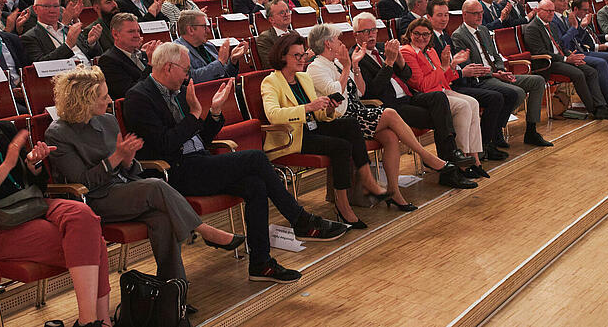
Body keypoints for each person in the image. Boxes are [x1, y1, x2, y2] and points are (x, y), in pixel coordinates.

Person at [123, 42, 346, 282]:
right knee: (256, 157)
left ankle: (261, 264)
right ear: (168, 67)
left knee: (255, 186)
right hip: (175, 173)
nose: (188, 76)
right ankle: (300, 219)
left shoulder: (178, 90)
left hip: (200, 162)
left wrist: (215, 113)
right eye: (186, 70)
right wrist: (195, 114)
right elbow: (166, 145)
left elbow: (199, 138)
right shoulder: (139, 98)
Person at [46, 64, 245, 292]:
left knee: (162, 219)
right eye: (103, 97)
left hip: (123, 188)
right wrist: (116, 157)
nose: (110, 101)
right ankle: (204, 231)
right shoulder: (58, 134)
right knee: (155, 186)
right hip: (94, 200)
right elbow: (82, 183)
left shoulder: (108, 121)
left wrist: (128, 159)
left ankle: (174, 291)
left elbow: (128, 170)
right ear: (84, 100)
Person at [0, 71, 111, 327]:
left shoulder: (2, 129)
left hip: (31, 203)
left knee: (83, 215)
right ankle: (95, 322)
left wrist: (33, 164)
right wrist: (8, 162)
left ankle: (93, 322)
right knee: (96, 244)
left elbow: (36, 184)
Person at [307, 24, 461, 210]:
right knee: (389, 113)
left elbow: (361, 91)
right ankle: (427, 156)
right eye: (338, 40)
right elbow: (336, 94)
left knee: (390, 137)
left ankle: (394, 192)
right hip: (341, 119)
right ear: (328, 44)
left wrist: (355, 66)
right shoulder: (315, 68)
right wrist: (348, 66)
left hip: (357, 110)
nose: (341, 43)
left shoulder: (337, 63)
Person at [261, 32, 392, 226]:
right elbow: (273, 114)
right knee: (340, 146)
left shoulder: (303, 78)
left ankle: (366, 179)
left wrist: (328, 108)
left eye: (303, 54)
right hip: (294, 136)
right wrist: (308, 107)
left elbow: (319, 115)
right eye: (296, 56)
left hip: (313, 127)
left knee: (349, 124)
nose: (302, 59)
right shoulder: (271, 81)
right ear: (282, 57)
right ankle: (343, 204)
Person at [452, 0, 552, 147]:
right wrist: (494, 74)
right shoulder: (459, 35)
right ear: (465, 14)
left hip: (497, 73)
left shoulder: (484, 30)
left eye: (481, 13)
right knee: (517, 92)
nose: (479, 16)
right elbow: (470, 66)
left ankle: (531, 131)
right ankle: (496, 130)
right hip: (483, 78)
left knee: (537, 81)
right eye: (475, 14)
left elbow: (496, 56)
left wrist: (501, 70)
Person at [400, 18, 486, 182]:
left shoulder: (431, 50)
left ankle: (474, 158)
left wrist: (452, 65)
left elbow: (444, 78)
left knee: (473, 103)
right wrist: (445, 66)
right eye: (417, 33)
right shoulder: (407, 52)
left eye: (426, 34)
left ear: (431, 35)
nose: (421, 38)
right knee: (462, 106)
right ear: (410, 34)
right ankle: (461, 161)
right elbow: (422, 84)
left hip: (441, 90)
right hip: (426, 96)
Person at [523, 0, 608, 119]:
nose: (551, 13)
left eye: (552, 11)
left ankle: (601, 106)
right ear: (539, 11)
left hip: (561, 57)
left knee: (591, 71)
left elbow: (560, 45)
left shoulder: (551, 25)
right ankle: (593, 109)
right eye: (548, 11)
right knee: (578, 74)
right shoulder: (532, 28)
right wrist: (566, 59)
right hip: (547, 62)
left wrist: (571, 56)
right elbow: (540, 52)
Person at [22, 0, 103, 63]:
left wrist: (91, 43)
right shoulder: (30, 37)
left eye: (56, 6)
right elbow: (40, 65)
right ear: (35, 9)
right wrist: (68, 45)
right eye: (46, 6)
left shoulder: (69, 29)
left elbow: (95, 56)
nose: (52, 10)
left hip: (90, 71)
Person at [174, 10, 247, 83]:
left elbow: (226, 76)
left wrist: (232, 60)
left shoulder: (209, 46)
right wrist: (220, 62)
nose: (208, 31)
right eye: (204, 27)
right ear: (190, 30)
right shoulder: (177, 51)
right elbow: (191, 79)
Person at [98, 12, 158, 99]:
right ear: (115, 34)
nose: (137, 35)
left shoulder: (144, 54)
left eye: (138, 31)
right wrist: (151, 64)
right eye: (131, 31)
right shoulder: (108, 60)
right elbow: (131, 92)